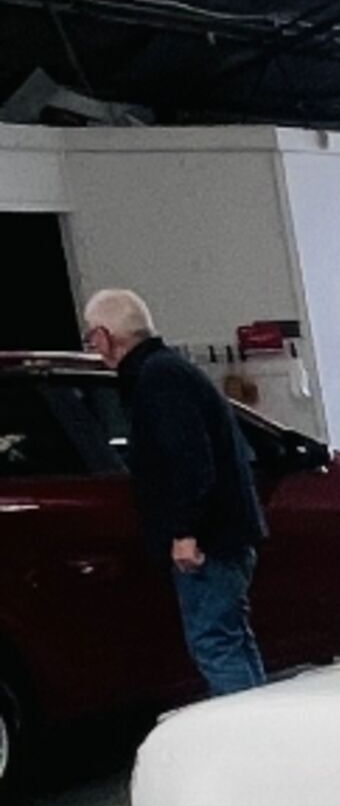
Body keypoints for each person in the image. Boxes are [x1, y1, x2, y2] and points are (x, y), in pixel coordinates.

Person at [81, 288, 268, 695]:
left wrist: (184, 532)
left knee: (215, 645)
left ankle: (247, 738)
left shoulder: (158, 378)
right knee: (231, 639)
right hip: (224, 533)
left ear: (105, 335)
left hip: (208, 541)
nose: (92, 347)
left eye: (91, 337)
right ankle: (259, 725)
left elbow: (189, 460)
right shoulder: (168, 371)